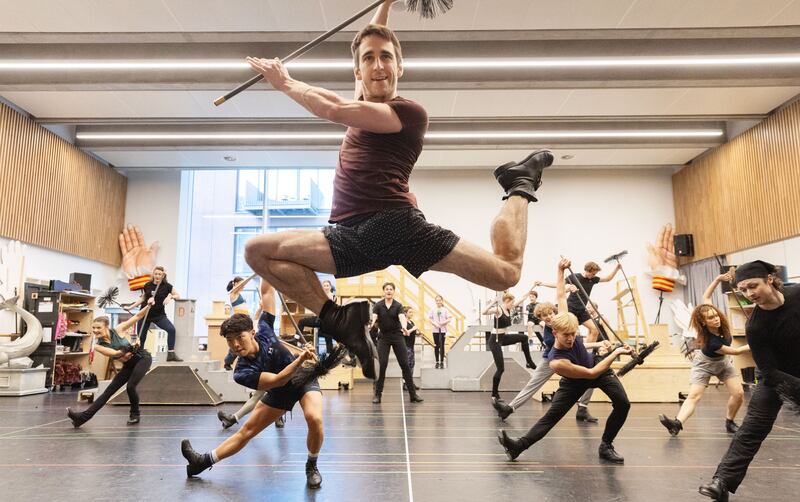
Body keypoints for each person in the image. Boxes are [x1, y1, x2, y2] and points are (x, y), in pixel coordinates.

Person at [241, 0, 554, 381]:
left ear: (400, 67)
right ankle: (340, 318)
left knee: (506, 274)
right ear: (358, 69)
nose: (378, 66)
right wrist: (386, 5)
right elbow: (367, 54)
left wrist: (286, 82)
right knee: (258, 251)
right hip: (352, 233)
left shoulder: (407, 113)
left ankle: (519, 185)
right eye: (368, 60)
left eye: (387, 58)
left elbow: (335, 108)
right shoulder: (364, 96)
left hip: (391, 225)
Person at [498, 258, 632, 464]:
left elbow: (561, 295)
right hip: (579, 378)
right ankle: (518, 446)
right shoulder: (555, 361)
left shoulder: (565, 321)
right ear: (554, 332)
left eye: (573, 334)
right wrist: (615, 353)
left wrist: (559, 270)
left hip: (597, 368)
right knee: (551, 417)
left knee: (623, 404)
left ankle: (606, 445)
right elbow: (590, 374)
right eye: (566, 335)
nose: (571, 338)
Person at [181, 297, 324, 488]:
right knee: (246, 432)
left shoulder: (265, 329)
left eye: (240, 337)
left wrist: (266, 268)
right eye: (230, 341)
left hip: (302, 380)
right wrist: (300, 359)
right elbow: (278, 380)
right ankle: (203, 462)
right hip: (280, 389)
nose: (236, 345)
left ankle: (312, 465)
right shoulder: (241, 372)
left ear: (253, 333)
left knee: (314, 418)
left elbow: (267, 292)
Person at [699, 261, 800, 501]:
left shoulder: (797, 294)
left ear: (770, 279)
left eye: (753, 286)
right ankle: (722, 482)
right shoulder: (755, 326)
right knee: (752, 429)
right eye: (743, 290)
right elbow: (769, 370)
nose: (749, 294)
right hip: (774, 378)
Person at [492, 272, 597, 423]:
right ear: (540, 318)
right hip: (551, 359)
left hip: (571, 357)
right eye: (543, 316)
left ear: (554, 312)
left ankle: (582, 407)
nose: (548, 317)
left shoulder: (563, 319)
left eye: (549, 314)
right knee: (533, 383)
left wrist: (564, 280)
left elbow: (561, 295)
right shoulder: (547, 330)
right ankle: (510, 408)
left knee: (591, 373)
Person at [659, 272, 750, 437]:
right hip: (704, 365)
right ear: (703, 322)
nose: (716, 319)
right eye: (711, 318)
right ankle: (676, 424)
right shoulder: (711, 341)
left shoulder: (720, 324)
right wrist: (756, 344)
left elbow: (706, 296)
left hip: (722, 363)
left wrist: (717, 279)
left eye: (716, 316)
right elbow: (736, 351)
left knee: (738, 394)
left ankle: (730, 421)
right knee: (694, 395)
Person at [217, 278, 287, 430]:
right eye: (240, 283)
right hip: (242, 332)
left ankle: (235, 418)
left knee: (260, 395)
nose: (243, 285)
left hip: (247, 331)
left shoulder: (255, 329)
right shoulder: (234, 294)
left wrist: (261, 308)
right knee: (262, 394)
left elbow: (253, 317)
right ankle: (277, 416)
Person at [67, 306, 153, 427]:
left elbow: (138, 316)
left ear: (106, 327)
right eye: (93, 328)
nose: (95, 330)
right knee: (107, 392)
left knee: (130, 386)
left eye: (98, 328)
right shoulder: (98, 346)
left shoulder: (118, 329)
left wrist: (148, 305)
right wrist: (130, 347)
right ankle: (82, 418)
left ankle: (135, 414)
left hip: (142, 359)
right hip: (128, 365)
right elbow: (117, 354)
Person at [539, 261, 621, 342]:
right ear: (587, 270)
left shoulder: (593, 279)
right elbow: (558, 285)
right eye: (592, 274)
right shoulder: (574, 277)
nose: (593, 276)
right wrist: (543, 284)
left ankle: (587, 352)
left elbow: (607, 279)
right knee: (570, 331)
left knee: (595, 330)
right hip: (571, 308)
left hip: (582, 309)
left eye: (595, 274)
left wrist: (617, 269)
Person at [371, 282, 423, 404]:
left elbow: (402, 318)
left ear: (394, 291)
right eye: (386, 289)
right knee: (381, 365)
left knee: (405, 364)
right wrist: (371, 324)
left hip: (397, 337)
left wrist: (404, 327)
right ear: (383, 291)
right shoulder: (378, 305)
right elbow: (374, 317)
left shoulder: (398, 305)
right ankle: (377, 395)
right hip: (383, 337)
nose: (389, 291)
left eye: (391, 289)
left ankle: (413, 395)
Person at [483, 291, 538, 402]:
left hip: (503, 337)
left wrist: (532, 287)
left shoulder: (509, 308)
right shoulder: (498, 309)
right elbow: (484, 312)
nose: (513, 305)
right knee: (501, 369)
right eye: (512, 303)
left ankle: (529, 362)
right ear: (506, 301)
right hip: (495, 340)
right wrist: (493, 302)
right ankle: (494, 394)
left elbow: (522, 298)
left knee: (524, 338)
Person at [126, 265, 182, 361]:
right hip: (145, 314)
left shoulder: (167, 286)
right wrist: (130, 307)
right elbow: (143, 298)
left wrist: (169, 297)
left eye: (159, 274)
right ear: (153, 274)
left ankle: (171, 354)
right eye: (155, 274)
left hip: (158, 315)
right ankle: (139, 358)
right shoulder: (147, 285)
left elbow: (178, 296)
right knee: (141, 337)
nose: (157, 276)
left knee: (171, 329)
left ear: (163, 275)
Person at [223, 275, 258, 370]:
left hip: (244, 318)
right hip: (239, 319)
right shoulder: (233, 293)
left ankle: (231, 362)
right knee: (237, 342)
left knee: (245, 342)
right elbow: (241, 284)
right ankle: (227, 362)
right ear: (235, 284)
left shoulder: (239, 294)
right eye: (241, 285)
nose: (243, 287)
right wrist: (252, 276)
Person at [296, 279, 337, 355]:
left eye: (327, 285)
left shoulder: (333, 297)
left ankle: (329, 354)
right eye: (324, 285)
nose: (326, 287)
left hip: (326, 321)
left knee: (328, 335)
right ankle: (296, 340)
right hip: (318, 320)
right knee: (301, 322)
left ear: (330, 287)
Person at [428, 295, 452, 369]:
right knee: (436, 346)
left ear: (442, 301)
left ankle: (441, 362)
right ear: (435, 301)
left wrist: (443, 323)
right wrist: (435, 323)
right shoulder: (433, 309)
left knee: (442, 346)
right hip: (435, 330)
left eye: (439, 300)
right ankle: (437, 362)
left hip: (442, 330)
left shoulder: (445, 310)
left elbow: (449, 318)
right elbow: (430, 318)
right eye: (437, 300)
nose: (438, 302)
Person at [402, 306, 420, 392]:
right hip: (406, 346)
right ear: (405, 313)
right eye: (410, 312)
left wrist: (417, 332)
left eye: (412, 312)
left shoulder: (411, 322)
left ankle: (410, 382)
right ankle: (405, 383)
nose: (411, 314)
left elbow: (412, 332)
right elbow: (405, 333)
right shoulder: (404, 322)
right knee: (407, 366)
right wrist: (413, 329)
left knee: (412, 364)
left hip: (411, 346)